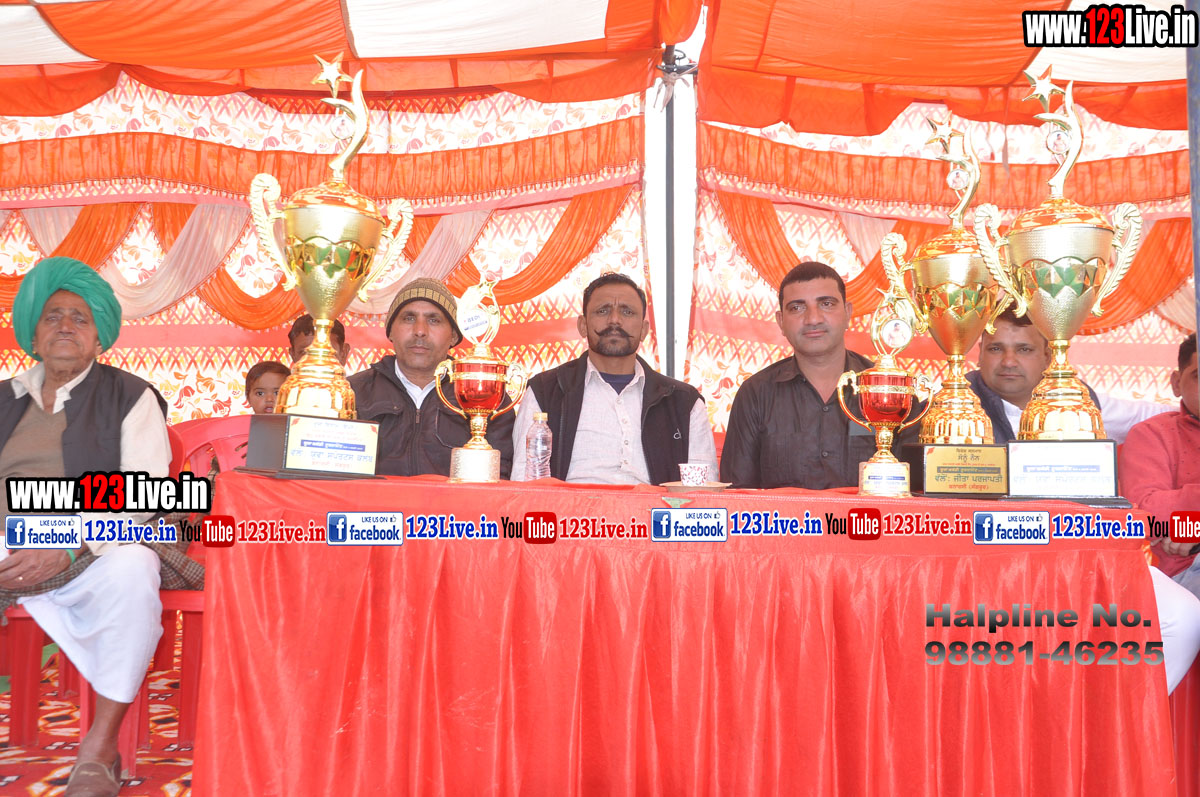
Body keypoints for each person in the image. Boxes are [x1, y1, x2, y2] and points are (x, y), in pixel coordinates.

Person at [0, 257, 182, 796]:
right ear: (33, 333)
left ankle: (100, 751)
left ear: (99, 337)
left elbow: (143, 492)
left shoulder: (132, 396)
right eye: (52, 315)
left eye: (80, 318)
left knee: (134, 567)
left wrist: (65, 542)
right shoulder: (4, 397)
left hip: (90, 545)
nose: (65, 325)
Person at [721, 261, 918, 489]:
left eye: (826, 304)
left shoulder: (890, 390)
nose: (813, 319)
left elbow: (914, 492)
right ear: (781, 322)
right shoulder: (756, 394)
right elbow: (737, 495)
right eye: (797, 308)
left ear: (848, 313)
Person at [512, 273, 716, 485]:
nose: (615, 320)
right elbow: (523, 483)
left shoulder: (684, 402)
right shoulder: (545, 391)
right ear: (582, 325)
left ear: (644, 330)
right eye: (603, 310)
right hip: (570, 507)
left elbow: (703, 490)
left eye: (627, 312)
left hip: (655, 507)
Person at [348, 278, 513, 477]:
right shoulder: (353, 392)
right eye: (409, 318)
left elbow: (501, 477)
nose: (420, 331)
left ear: (454, 336)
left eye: (434, 320)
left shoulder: (485, 395)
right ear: (390, 331)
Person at [968, 309, 1170, 444]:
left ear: (1048, 356)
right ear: (980, 354)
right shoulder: (955, 404)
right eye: (995, 349)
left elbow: (1157, 417)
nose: (1009, 362)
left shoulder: (1080, 404)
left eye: (1024, 349)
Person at [1122, 333, 1200, 580]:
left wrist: (1193, 527)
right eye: (1199, 376)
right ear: (1176, 383)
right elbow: (1146, 518)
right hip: (1186, 575)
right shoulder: (1152, 434)